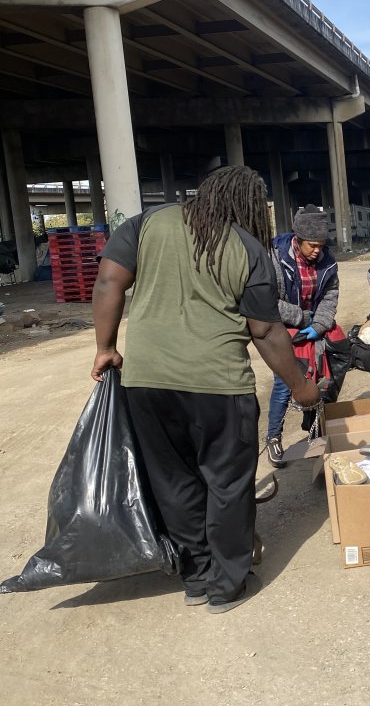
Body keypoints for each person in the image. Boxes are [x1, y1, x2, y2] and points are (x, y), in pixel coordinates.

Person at [91, 166, 319, 613]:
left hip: (147, 383)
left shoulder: (146, 222)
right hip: (219, 387)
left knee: (173, 482)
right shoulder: (247, 247)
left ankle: (195, 579)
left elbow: (108, 282)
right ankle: (226, 586)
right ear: (249, 206)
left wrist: (105, 348)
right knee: (227, 484)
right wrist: (301, 386)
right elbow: (265, 329)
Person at [265, 205, 340, 467]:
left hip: (311, 326)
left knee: (320, 378)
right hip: (282, 329)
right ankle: (273, 437)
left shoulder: (327, 261)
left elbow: (330, 296)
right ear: (298, 239)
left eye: (321, 245)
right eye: (312, 245)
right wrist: (301, 318)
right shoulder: (275, 258)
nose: (317, 251)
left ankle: (316, 432)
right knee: (285, 382)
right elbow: (267, 300)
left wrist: (319, 324)